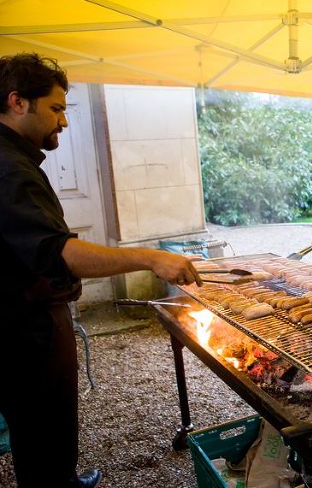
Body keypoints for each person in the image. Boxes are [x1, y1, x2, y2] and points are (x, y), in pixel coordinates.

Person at [0, 53, 201, 488]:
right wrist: (150, 257)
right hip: (25, 329)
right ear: (18, 102)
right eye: (55, 109)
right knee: (42, 427)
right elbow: (59, 252)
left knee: (35, 430)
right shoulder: (9, 168)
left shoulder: (13, 160)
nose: (64, 122)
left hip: (19, 320)